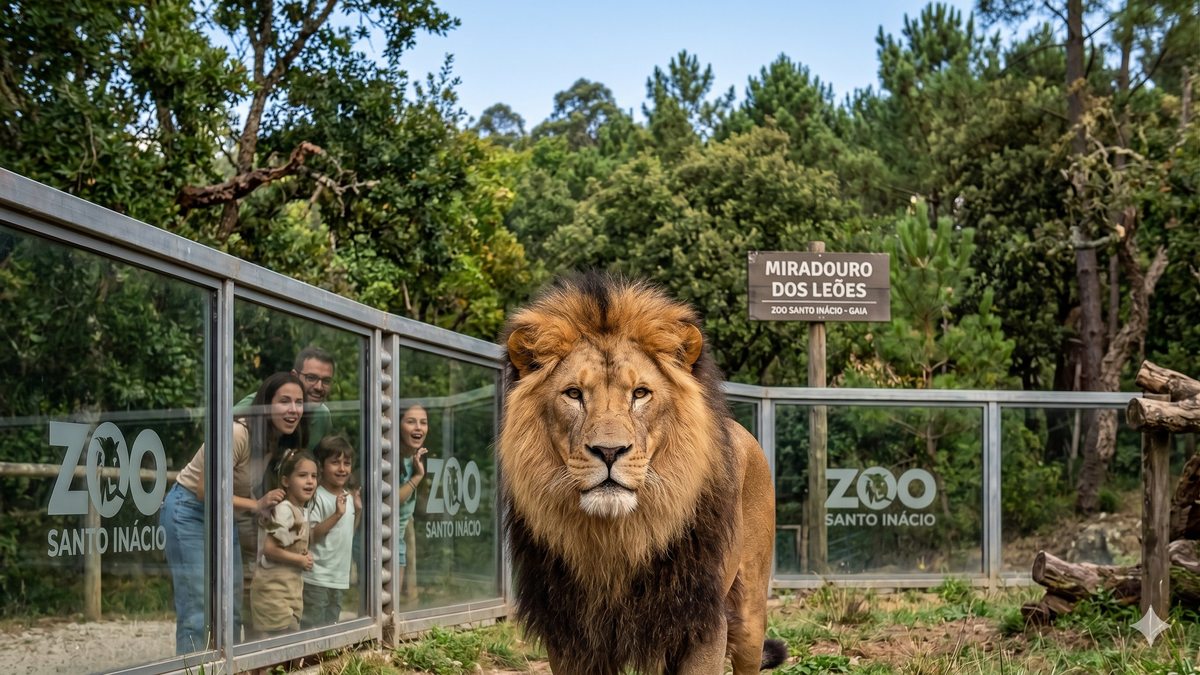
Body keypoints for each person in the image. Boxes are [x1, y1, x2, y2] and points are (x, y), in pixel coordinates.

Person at [161, 372, 305, 654]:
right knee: (198, 609)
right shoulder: (238, 432)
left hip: (224, 518)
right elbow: (206, 491)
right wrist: (256, 505)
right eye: (284, 401)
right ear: (265, 404)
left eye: (299, 402)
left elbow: (239, 484)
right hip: (189, 511)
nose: (293, 409)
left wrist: (259, 509)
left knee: (232, 607)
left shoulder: (275, 440)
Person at [251, 448, 318, 636]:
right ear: (286, 481)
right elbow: (270, 549)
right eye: (303, 475)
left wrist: (303, 555)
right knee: (277, 645)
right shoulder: (285, 510)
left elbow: (290, 543)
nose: (310, 481)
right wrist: (300, 561)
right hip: (273, 591)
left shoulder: (300, 510)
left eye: (314, 476)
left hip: (290, 590)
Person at [300, 435, 362, 628]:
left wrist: (357, 510)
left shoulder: (348, 497)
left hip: (339, 578)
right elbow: (310, 536)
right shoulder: (317, 496)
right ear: (321, 467)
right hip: (317, 578)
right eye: (335, 463)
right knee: (312, 629)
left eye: (347, 463)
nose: (342, 468)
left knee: (331, 629)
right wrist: (336, 514)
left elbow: (349, 531)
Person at [234, 346, 334, 450]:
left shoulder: (323, 416)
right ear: (294, 376)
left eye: (326, 381)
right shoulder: (259, 403)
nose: (319, 387)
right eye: (311, 378)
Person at [396, 403, 429, 598]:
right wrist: (417, 478)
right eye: (411, 421)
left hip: (399, 540)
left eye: (423, 422)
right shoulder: (389, 459)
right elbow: (390, 502)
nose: (418, 427)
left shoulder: (414, 459)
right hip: (380, 541)